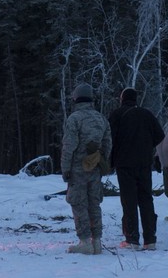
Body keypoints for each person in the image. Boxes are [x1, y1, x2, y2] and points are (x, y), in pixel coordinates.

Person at [109, 88, 164, 250]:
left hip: (124, 163)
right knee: (146, 199)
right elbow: (160, 135)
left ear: (122, 98)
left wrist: (112, 157)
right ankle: (150, 239)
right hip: (144, 163)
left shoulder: (117, 114)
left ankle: (132, 239)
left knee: (129, 200)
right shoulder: (147, 114)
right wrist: (146, 147)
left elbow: (109, 137)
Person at [61, 83, 111, 254]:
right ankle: (96, 241)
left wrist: (65, 168)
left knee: (78, 203)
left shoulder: (74, 118)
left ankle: (84, 242)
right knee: (94, 203)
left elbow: (69, 146)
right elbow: (107, 144)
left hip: (77, 168)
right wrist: (100, 161)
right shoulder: (101, 118)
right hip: (95, 168)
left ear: (76, 98)